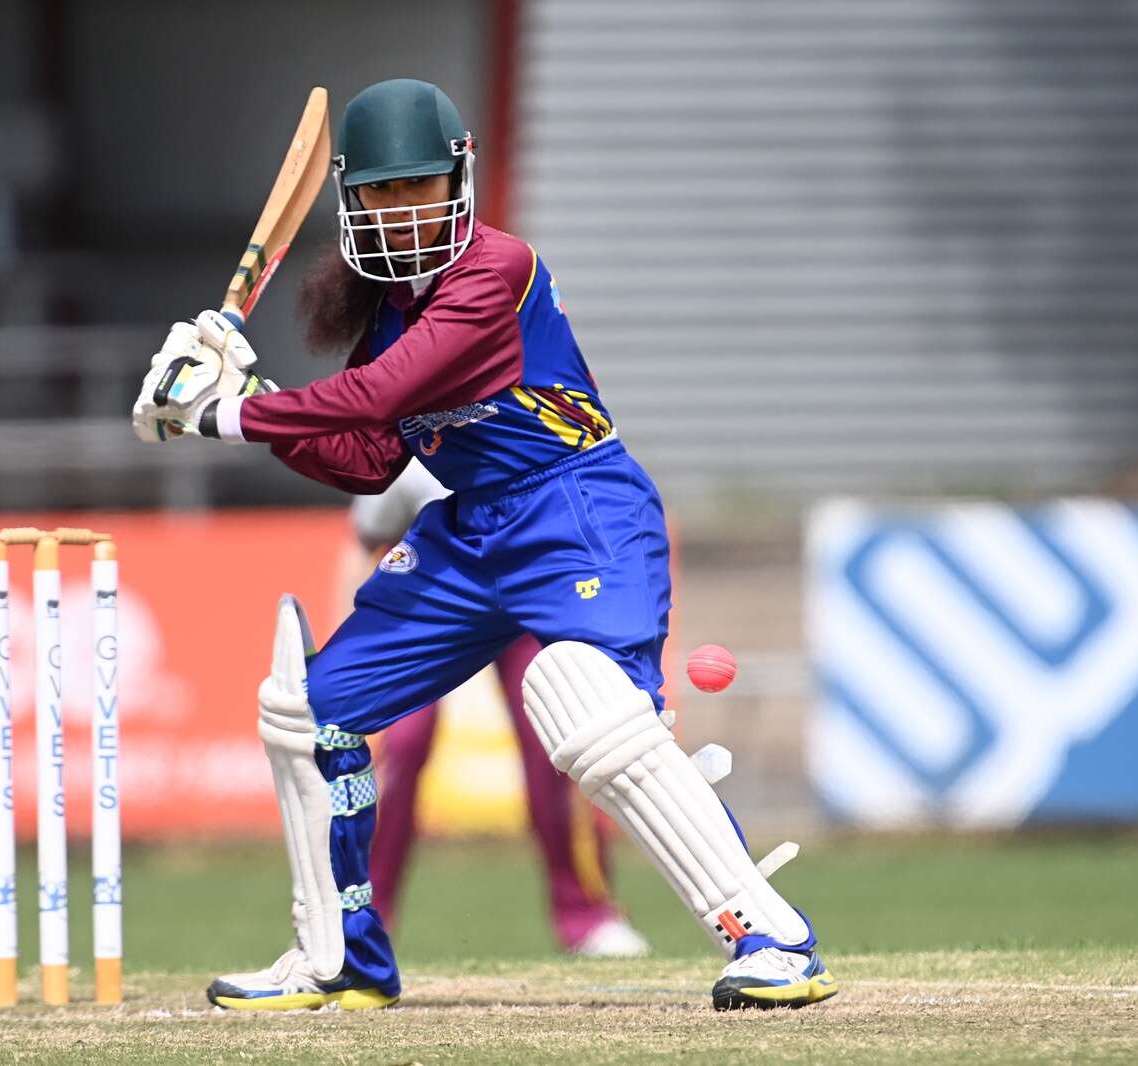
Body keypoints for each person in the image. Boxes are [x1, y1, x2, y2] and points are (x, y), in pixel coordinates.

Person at [131, 77, 837, 1012]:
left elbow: (381, 398)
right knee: (306, 713)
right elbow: (365, 460)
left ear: (460, 177)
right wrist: (235, 396)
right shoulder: (385, 313)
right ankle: (340, 957)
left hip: (580, 507)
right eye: (381, 192)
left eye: (418, 187)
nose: (400, 210)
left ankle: (773, 940)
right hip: (472, 533)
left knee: (581, 704)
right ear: (351, 198)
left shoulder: (497, 272)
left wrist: (227, 412)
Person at [349, 458, 650, 957]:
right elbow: (367, 539)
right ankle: (363, 922)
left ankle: (588, 915)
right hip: (429, 606)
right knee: (402, 741)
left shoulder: (538, 439)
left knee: (557, 740)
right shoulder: (416, 445)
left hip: (526, 606)